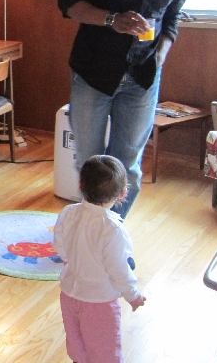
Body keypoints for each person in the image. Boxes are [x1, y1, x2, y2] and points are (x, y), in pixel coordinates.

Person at [57, 0, 209, 219]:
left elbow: (172, 16)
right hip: (94, 71)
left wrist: (161, 53)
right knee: (90, 165)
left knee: (129, 168)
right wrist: (112, 20)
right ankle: (89, 231)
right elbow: (69, 2)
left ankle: (112, 231)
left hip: (143, 76)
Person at [53, 155, 146, 363]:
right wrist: (133, 296)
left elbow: (59, 243)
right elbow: (119, 270)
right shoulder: (112, 229)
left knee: (77, 345)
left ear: (80, 184)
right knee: (105, 352)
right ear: (122, 193)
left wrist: (70, 260)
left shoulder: (68, 213)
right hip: (99, 303)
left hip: (68, 295)